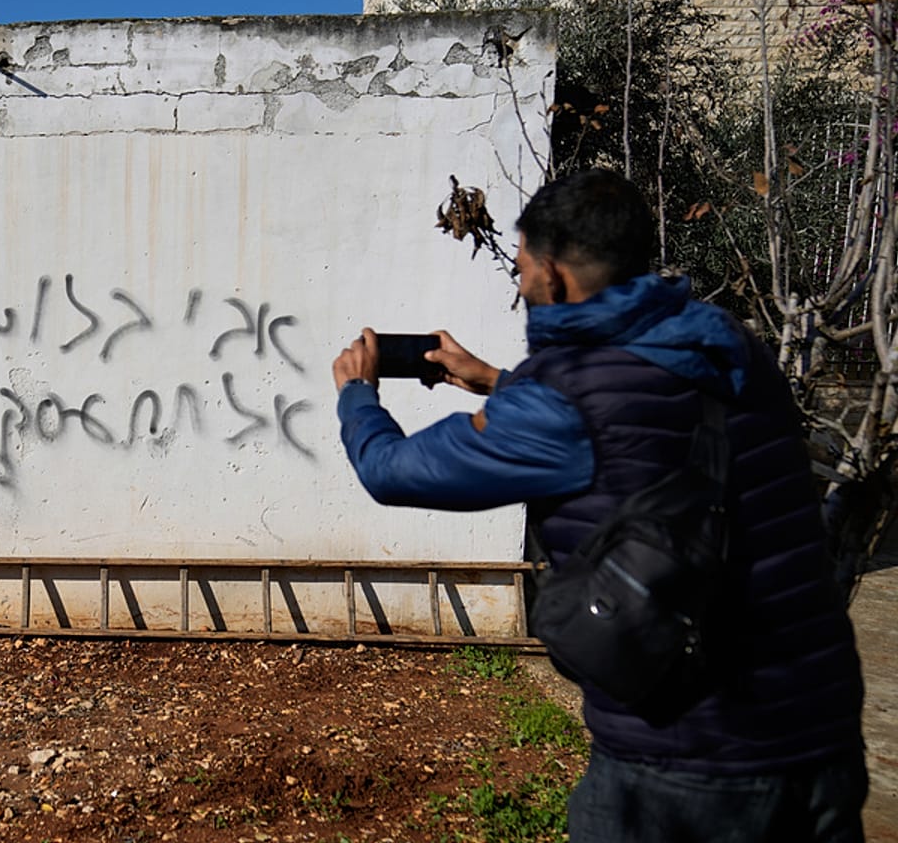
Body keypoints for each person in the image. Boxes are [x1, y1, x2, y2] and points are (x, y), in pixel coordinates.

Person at [332, 169, 866, 842]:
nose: (521, 283)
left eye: (521, 268)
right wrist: (498, 382)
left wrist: (358, 392)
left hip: (690, 761)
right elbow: (637, 429)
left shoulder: (563, 398)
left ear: (552, 278)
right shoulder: (726, 345)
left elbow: (393, 471)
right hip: (820, 735)